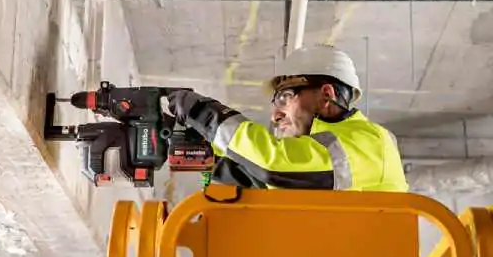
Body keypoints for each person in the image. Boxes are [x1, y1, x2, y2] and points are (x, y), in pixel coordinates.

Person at [167, 44, 408, 192]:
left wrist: (202, 113)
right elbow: (256, 178)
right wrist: (191, 145)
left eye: (285, 97)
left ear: (326, 94)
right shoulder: (310, 171)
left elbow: (274, 164)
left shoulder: (373, 143)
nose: (275, 115)